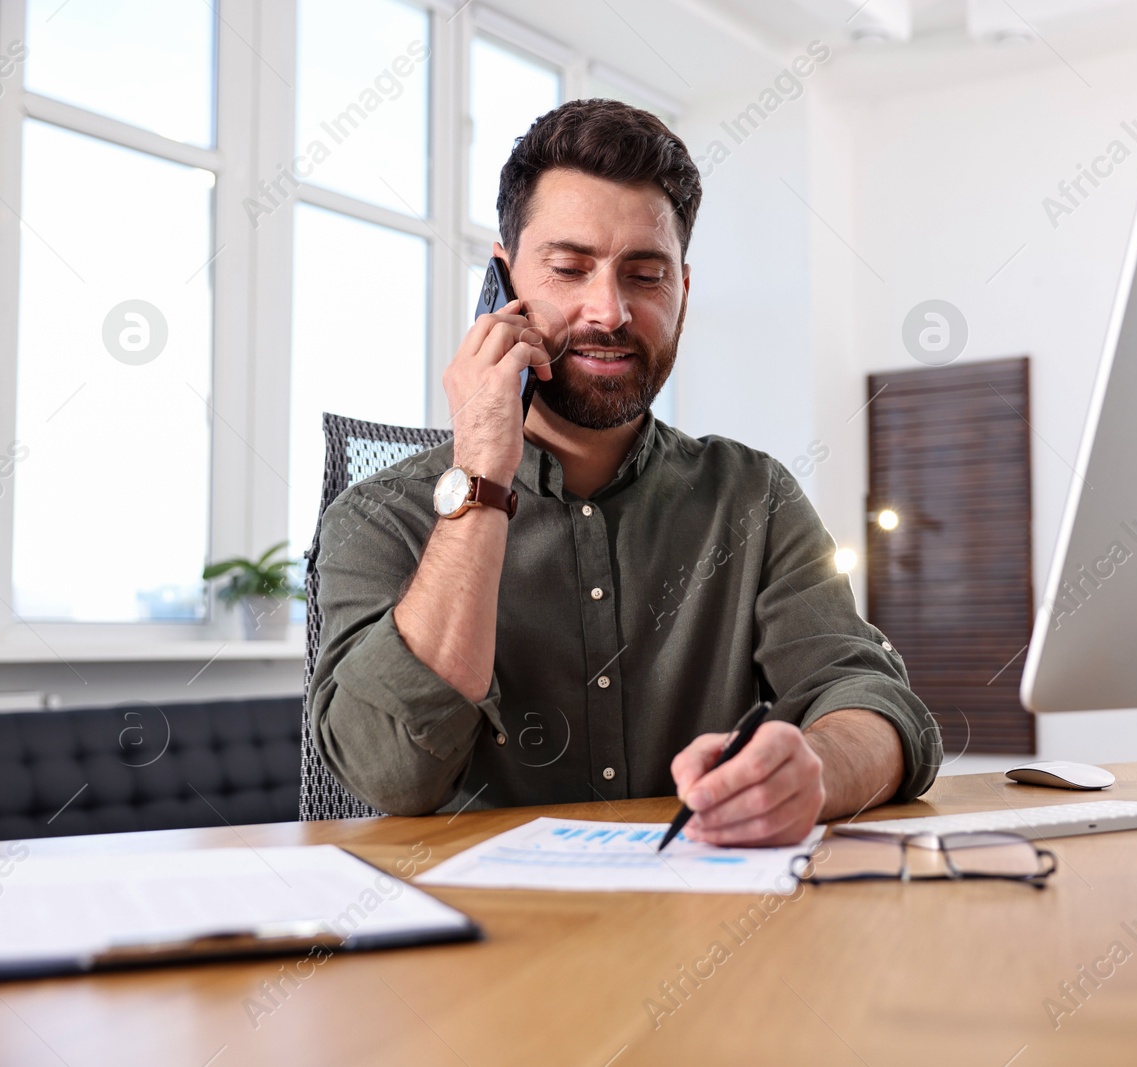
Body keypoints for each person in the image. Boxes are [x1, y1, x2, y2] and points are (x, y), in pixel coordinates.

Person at [309, 99, 939, 846]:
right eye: (569, 268)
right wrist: (482, 471)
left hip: (704, 929)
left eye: (645, 274)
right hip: (478, 943)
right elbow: (390, 772)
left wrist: (818, 770)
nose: (608, 310)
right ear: (504, 284)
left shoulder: (753, 496)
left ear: (683, 291)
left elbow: (870, 695)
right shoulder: (380, 514)